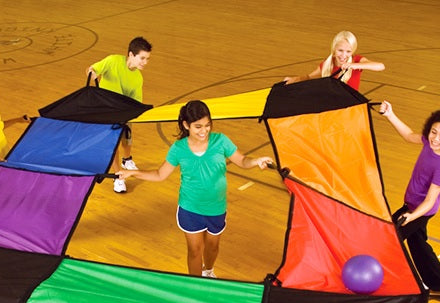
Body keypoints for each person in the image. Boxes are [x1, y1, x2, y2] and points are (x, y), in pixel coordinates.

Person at [117, 100, 273, 277]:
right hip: (190, 208)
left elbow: (243, 161)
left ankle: (208, 271)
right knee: (194, 250)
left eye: (207, 125)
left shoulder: (221, 141)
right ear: (186, 125)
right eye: (198, 126)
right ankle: (196, 284)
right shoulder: (179, 149)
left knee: (213, 247)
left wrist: (256, 161)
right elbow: (160, 174)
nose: (204, 131)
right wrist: (133, 173)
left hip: (216, 207)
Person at [380, 101, 440, 295]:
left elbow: (430, 201)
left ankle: (384, 277)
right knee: (418, 245)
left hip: (421, 210)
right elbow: (408, 135)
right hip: (412, 204)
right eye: (434, 132)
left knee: (390, 238)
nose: (436, 139)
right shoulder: (429, 143)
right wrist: (390, 115)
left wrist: (411, 216)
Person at [86, 36, 152, 193]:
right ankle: (118, 176)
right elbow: (91, 69)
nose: (145, 62)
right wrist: (92, 73)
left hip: (123, 111)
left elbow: (135, 102)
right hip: (105, 111)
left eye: (147, 59)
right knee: (113, 145)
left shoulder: (137, 78)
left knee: (127, 139)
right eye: (142, 58)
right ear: (131, 55)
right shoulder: (112, 61)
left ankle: (127, 159)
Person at [283, 30, 385, 91]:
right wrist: (293, 79)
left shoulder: (357, 61)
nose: (344, 55)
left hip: (351, 108)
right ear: (334, 49)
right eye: (340, 50)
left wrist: (355, 65)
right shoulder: (327, 64)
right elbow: (309, 77)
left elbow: (380, 66)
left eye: (348, 51)